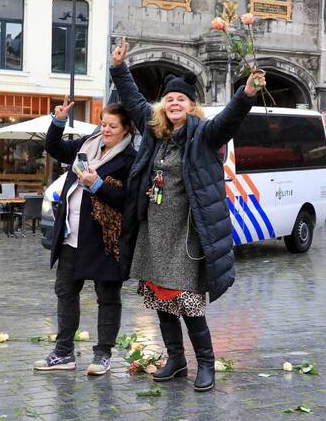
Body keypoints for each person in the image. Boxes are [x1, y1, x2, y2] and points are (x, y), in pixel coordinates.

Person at [110, 38, 261, 392]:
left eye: (181, 100)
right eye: (169, 100)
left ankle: (205, 364)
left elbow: (228, 121)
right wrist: (119, 68)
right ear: (162, 108)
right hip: (154, 232)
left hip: (187, 234)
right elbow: (132, 101)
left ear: (191, 107)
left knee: (189, 303)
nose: (174, 103)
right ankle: (175, 359)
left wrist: (246, 94)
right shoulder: (155, 134)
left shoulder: (203, 135)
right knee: (161, 300)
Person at [33, 102, 137, 375]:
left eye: (112, 126)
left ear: (125, 129)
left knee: (107, 297)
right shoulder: (87, 144)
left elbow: (128, 201)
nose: (106, 130)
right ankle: (64, 353)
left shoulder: (129, 160)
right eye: (103, 124)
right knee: (66, 292)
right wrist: (58, 122)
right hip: (71, 234)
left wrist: (98, 185)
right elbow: (54, 149)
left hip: (105, 240)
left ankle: (103, 354)